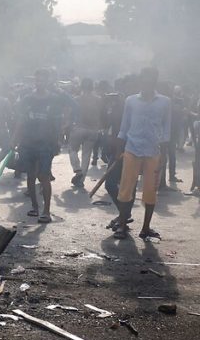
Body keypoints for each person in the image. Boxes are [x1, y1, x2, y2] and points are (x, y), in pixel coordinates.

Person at [112, 67, 171, 240]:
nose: (147, 82)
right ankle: (122, 226)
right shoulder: (131, 101)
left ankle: (146, 228)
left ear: (155, 80)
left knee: (151, 192)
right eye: (145, 79)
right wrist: (118, 150)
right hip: (132, 149)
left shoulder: (165, 102)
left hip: (153, 151)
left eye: (151, 79)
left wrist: (164, 156)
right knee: (125, 190)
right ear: (141, 80)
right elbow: (124, 126)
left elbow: (166, 130)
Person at [14, 69, 65, 224]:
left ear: (48, 81)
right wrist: (14, 139)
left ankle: (46, 211)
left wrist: (57, 142)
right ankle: (35, 207)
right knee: (30, 175)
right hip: (28, 143)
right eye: (38, 80)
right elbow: (20, 121)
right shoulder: (27, 99)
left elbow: (58, 124)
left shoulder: (54, 100)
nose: (40, 82)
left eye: (43, 79)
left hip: (46, 144)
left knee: (43, 176)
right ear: (34, 81)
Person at [67, 78, 104, 187]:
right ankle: (81, 180)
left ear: (81, 87)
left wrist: (68, 125)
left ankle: (77, 169)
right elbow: (102, 114)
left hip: (79, 128)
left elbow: (70, 114)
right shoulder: (98, 100)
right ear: (92, 87)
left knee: (72, 149)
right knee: (86, 155)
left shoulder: (77, 99)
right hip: (93, 130)